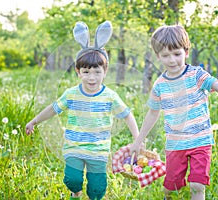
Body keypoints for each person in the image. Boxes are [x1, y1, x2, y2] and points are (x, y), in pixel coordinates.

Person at [129, 25, 218, 200]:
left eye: (176, 54)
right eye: (165, 55)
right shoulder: (160, 85)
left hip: (200, 140)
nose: (172, 60)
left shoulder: (196, 75)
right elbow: (153, 113)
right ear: (158, 56)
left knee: (197, 185)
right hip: (175, 144)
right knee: (171, 188)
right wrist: (139, 140)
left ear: (186, 51)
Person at [26, 21, 139, 200]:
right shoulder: (71, 94)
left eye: (96, 72)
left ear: (105, 70)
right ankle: (75, 193)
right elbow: (53, 109)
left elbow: (127, 115)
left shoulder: (110, 96)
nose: (91, 77)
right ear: (78, 72)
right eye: (86, 72)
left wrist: (137, 139)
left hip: (98, 150)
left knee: (97, 189)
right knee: (72, 179)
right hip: (74, 147)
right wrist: (34, 121)